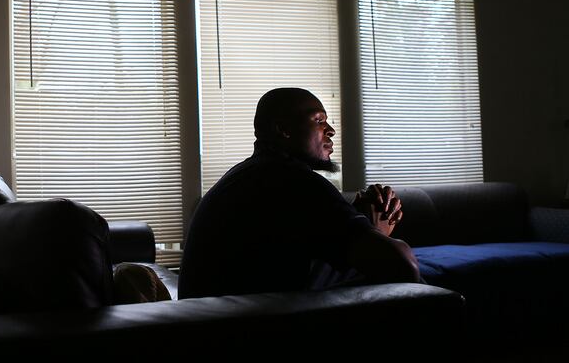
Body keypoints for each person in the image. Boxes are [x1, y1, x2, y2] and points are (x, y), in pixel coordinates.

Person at [178, 87, 420, 299]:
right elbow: (403, 265)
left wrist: (358, 220)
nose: (331, 130)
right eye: (319, 120)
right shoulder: (293, 180)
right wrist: (377, 230)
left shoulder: (251, 174)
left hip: (216, 324)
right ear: (284, 129)